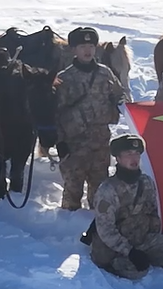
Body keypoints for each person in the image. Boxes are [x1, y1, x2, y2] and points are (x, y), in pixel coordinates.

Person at [90, 134, 163, 280]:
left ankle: (140, 257)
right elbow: (105, 230)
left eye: (136, 154)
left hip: (140, 239)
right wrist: (130, 252)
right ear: (118, 158)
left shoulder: (146, 182)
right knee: (137, 272)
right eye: (128, 154)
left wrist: (151, 238)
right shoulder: (108, 190)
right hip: (114, 246)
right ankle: (114, 264)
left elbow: (153, 213)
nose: (134, 158)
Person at [54, 27, 126, 210]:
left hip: (100, 143)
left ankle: (97, 223)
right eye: (82, 47)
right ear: (74, 50)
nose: (88, 51)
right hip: (74, 145)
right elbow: (55, 113)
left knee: (100, 192)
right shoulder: (64, 78)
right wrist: (60, 142)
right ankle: (67, 224)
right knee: (72, 192)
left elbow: (119, 95)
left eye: (91, 46)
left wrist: (120, 103)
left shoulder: (105, 73)